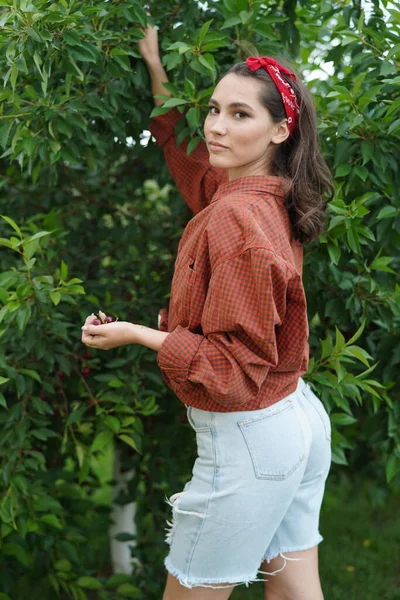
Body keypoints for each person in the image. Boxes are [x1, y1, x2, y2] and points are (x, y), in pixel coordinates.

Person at [82, 22, 333, 600]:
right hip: (295, 415)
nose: (217, 126)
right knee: (298, 593)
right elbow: (193, 162)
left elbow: (232, 370)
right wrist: (155, 68)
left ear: (280, 130)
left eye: (240, 115)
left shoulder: (236, 221)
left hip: (250, 437)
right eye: (214, 109)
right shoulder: (261, 192)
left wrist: (140, 335)